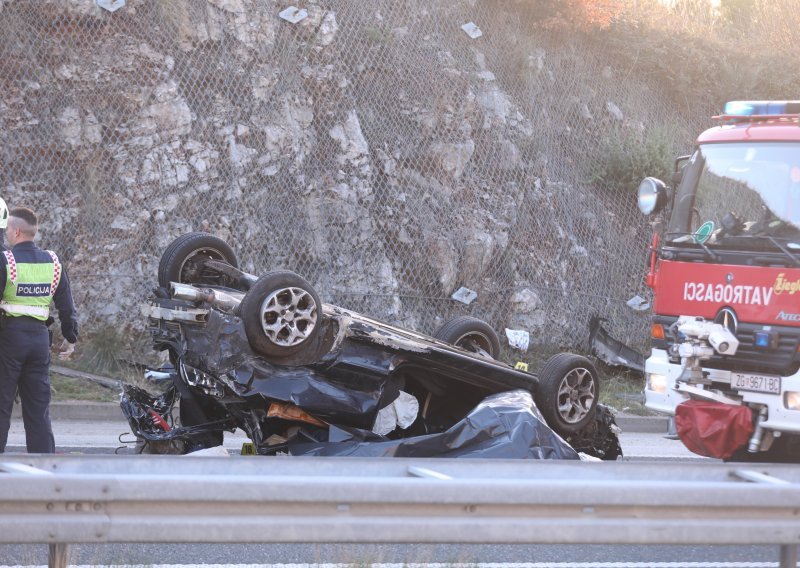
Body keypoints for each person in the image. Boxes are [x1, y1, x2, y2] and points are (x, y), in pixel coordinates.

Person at [0, 207, 78, 453]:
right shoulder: (54, 262)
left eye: (7, 231)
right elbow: (67, 306)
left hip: (10, 339)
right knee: (38, 410)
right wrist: (70, 337)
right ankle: (44, 469)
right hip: (39, 341)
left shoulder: (6, 260)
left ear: (17, 231)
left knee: (2, 406)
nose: (5, 235)